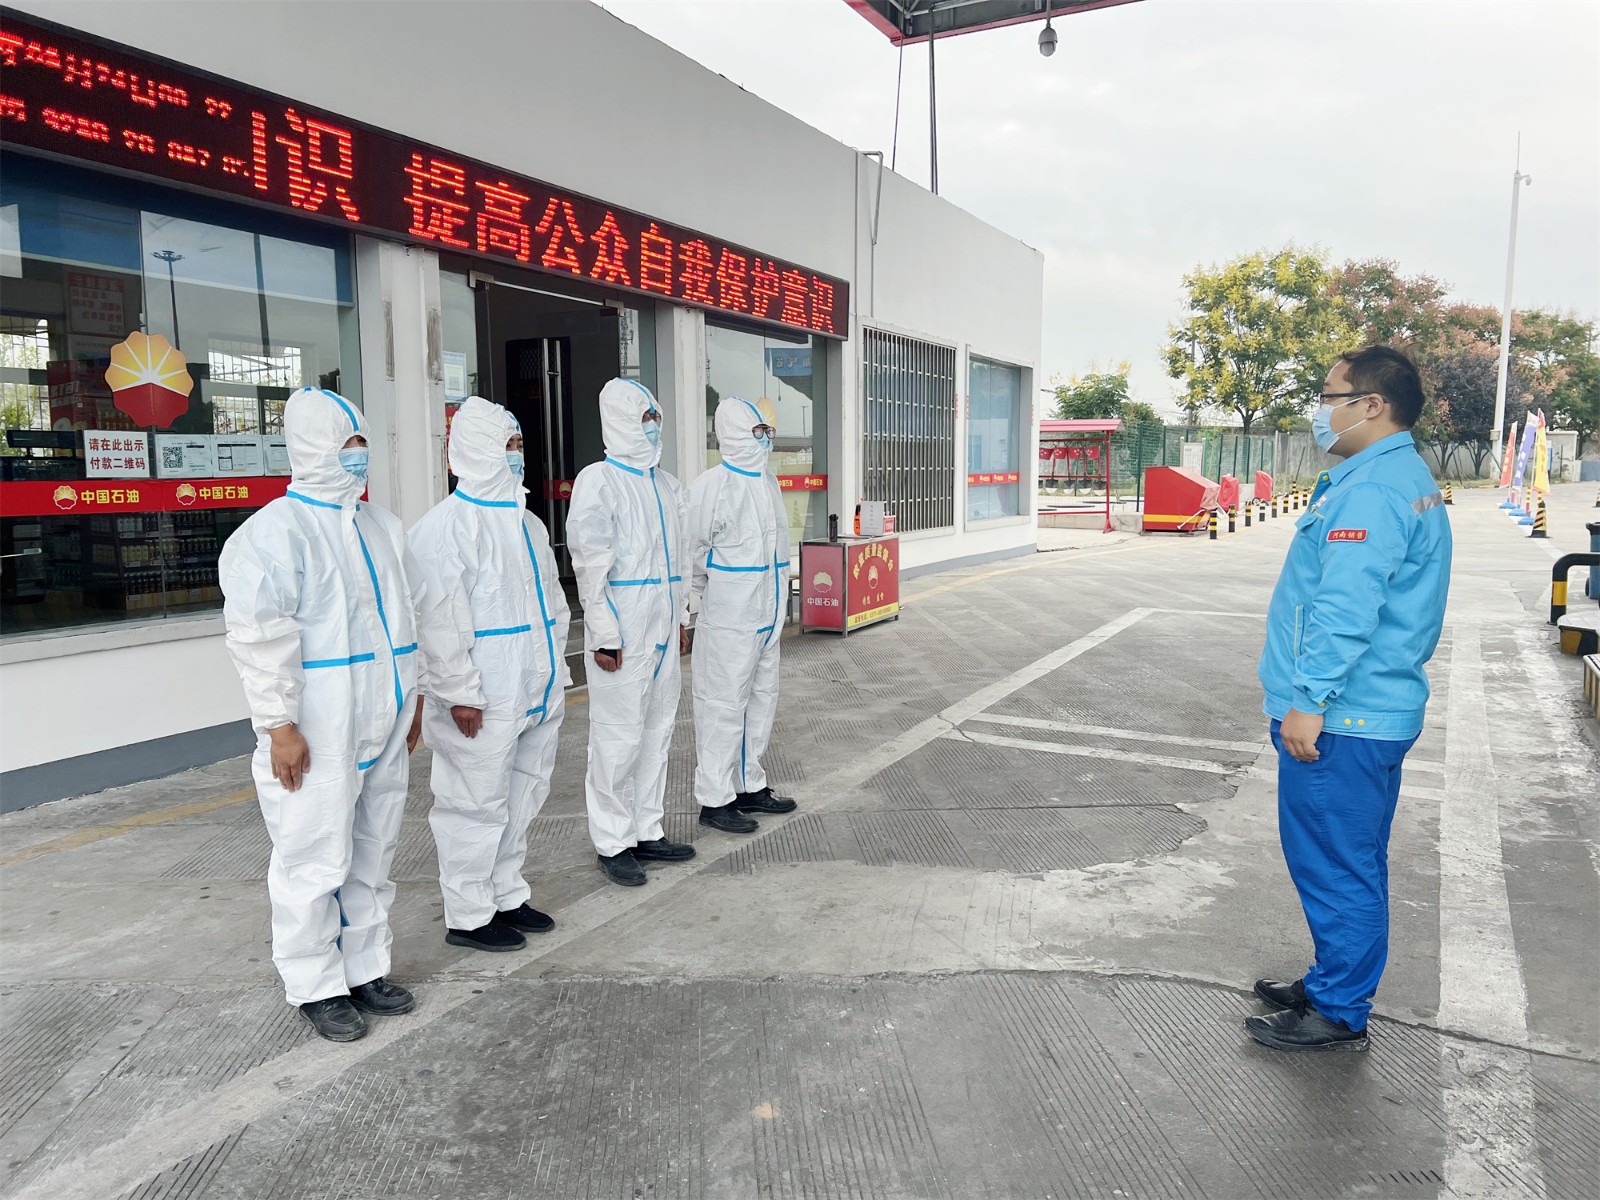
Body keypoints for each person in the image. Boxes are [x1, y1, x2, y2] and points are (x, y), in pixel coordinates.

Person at [1249, 346, 1452, 1053]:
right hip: (1369, 709)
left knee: (1337, 865)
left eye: (1329, 395)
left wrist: (1309, 699)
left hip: (1344, 716)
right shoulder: (1392, 476)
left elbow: (1345, 607)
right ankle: (1333, 977)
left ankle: (1338, 1009)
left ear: (1371, 405)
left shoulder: (1371, 491)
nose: (1320, 410)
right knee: (1349, 857)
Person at [219, 386, 423, 1043]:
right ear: (311, 449)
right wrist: (279, 726)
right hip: (318, 722)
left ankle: (365, 969)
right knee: (311, 855)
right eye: (346, 444)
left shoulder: (380, 527)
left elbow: (407, 619)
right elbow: (259, 640)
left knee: (373, 849)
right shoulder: (273, 533)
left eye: (361, 443)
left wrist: (412, 698)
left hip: (383, 716)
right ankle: (315, 984)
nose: (358, 456)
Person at [406, 396, 570, 953]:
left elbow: (552, 604)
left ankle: (506, 892)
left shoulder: (528, 524)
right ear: (476, 450)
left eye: (519, 444)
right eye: (508, 446)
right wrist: (459, 693)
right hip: (482, 693)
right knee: (472, 801)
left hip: (533, 686)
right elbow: (438, 623)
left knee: (523, 791)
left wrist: (553, 673)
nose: (518, 455)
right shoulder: (445, 529)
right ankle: (469, 913)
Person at [566, 378, 695, 886]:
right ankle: (613, 841)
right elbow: (589, 564)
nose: (653, 427)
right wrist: (603, 632)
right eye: (644, 418)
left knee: (657, 729)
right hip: (623, 627)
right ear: (620, 421)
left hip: (661, 624)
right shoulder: (599, 481)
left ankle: (647, 828)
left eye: (655, 418)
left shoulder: (667, 485)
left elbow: (680, 561)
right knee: (617, 737)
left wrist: (682, 617)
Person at [688, 396, 797, 833]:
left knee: (761, 699)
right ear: (733, 434)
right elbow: (691, 553)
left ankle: (749, 784)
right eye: (757, 432)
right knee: (722, 705)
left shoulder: (768, 482)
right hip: (730, 620)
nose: (765, 439)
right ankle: (715, 799)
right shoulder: (711, 486)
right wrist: (695, 606)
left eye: (767, 432)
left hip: (767, 616)